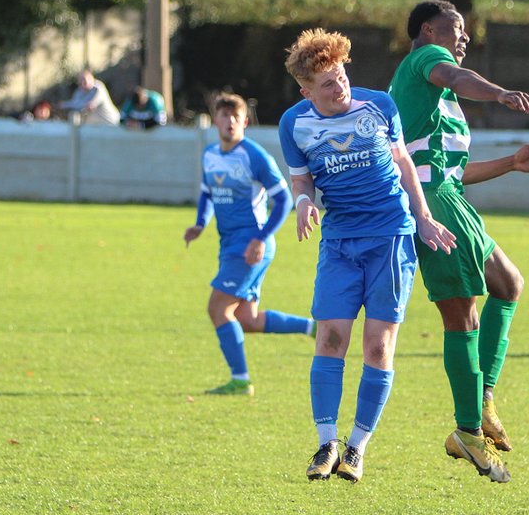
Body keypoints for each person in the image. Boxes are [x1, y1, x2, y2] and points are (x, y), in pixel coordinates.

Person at [388, 0, 529, 484]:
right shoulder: (425, 61)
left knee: (508, 283)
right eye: (456, 27)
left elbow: (453, 170)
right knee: (461, 312)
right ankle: (468, 428)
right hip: (431, 203)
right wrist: (502, 92)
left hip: (448, 196)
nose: (464, 36)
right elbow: (460, 78)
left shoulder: (435, 93)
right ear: (427, 29)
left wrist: (511, 162)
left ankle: (482, 399)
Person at [278, 29, 456, 483]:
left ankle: (356, 448)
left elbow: (403, 165)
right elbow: (302, 180)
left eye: (340, 75)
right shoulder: (293, 124)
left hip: (391, 239)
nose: (339, 87)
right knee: (330, 339)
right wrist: (302, 204)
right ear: (306, 91)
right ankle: (325, 443)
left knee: (377, 346)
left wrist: (424, 216)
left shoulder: (380, 106)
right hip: (339, 242)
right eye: (326, 83)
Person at [183, 93, 312, 396]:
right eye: (223, 115)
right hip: (229, 244)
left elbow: (282, 199)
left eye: (235, 116)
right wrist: (200, 224)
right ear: (215, 119)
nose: (229, 121)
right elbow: (206, 193)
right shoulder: (210, 154)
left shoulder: (254, 156)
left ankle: (240, 380)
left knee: (217, 309)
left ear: (244, 121)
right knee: (246, 319)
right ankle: (313, 328)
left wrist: (261, 237)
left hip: (250, 245)